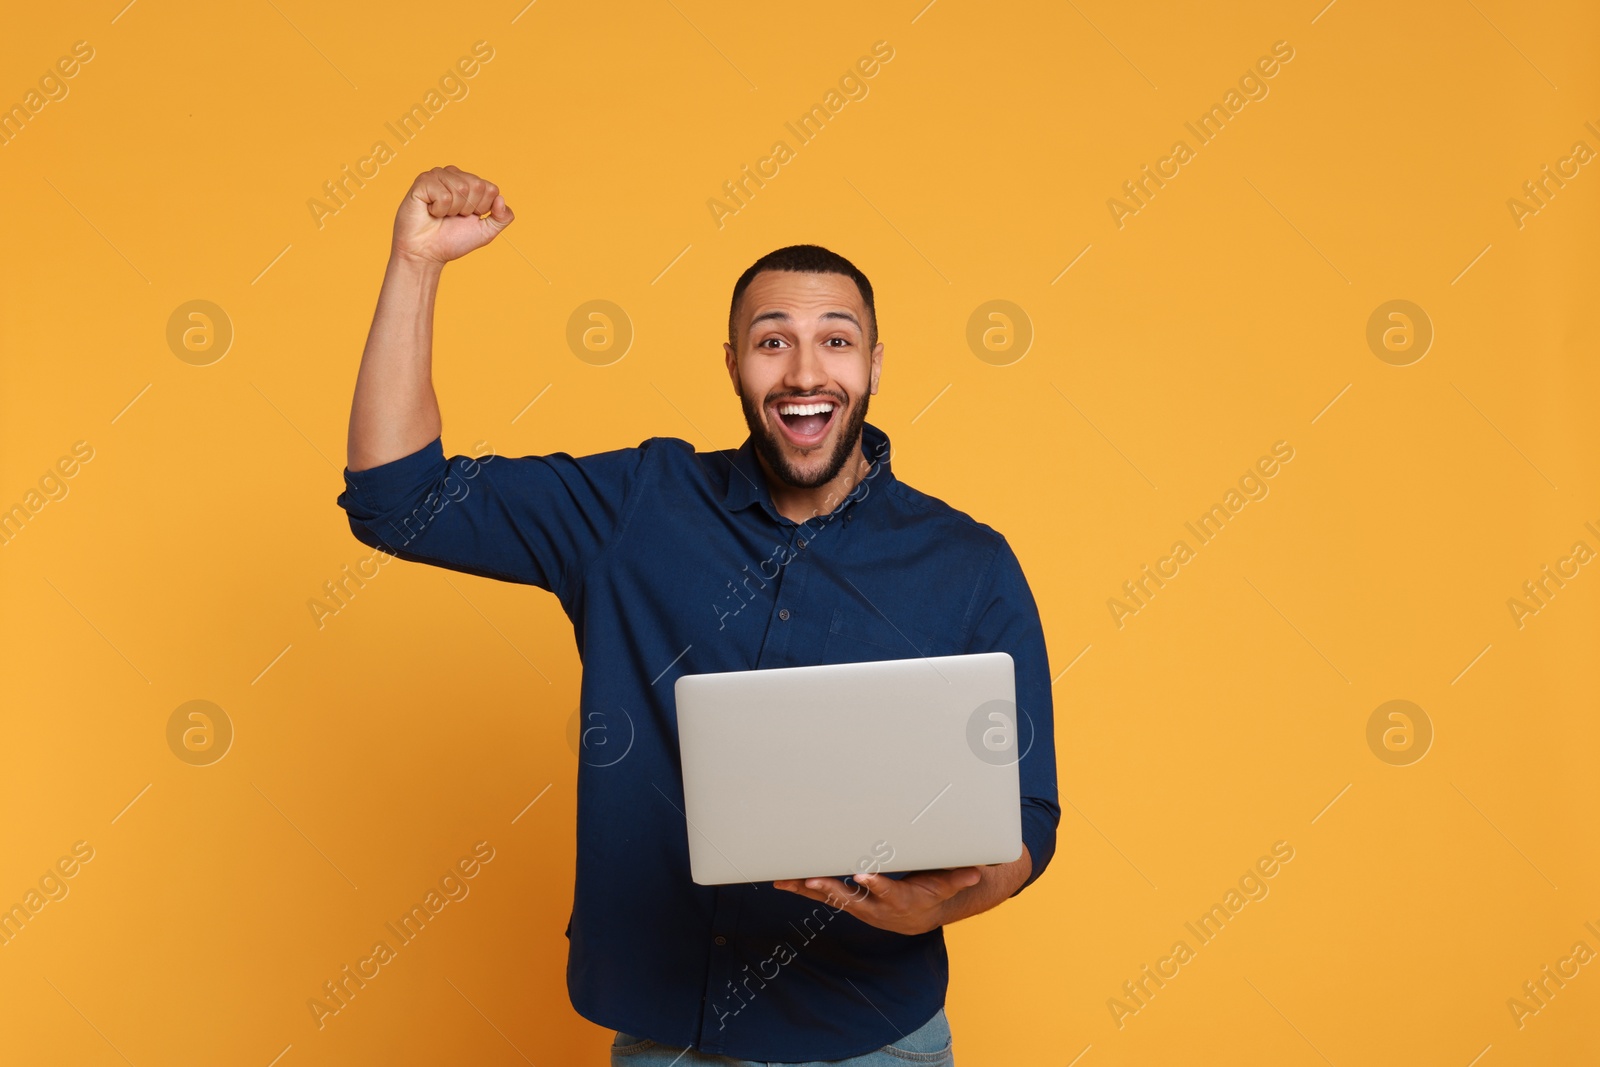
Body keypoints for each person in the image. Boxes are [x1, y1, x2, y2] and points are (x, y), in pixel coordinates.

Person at [337, 165, 1060, 1066]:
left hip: (875, 1032)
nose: (805, 371)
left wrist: (938, 903)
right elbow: (396, 499)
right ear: (732, 364)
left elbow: (1027, 815)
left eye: (837, 341)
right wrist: (416, 263)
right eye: (772, 341)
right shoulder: (636, 505)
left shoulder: (969, 564)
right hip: (669, 1036)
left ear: (874, 364)